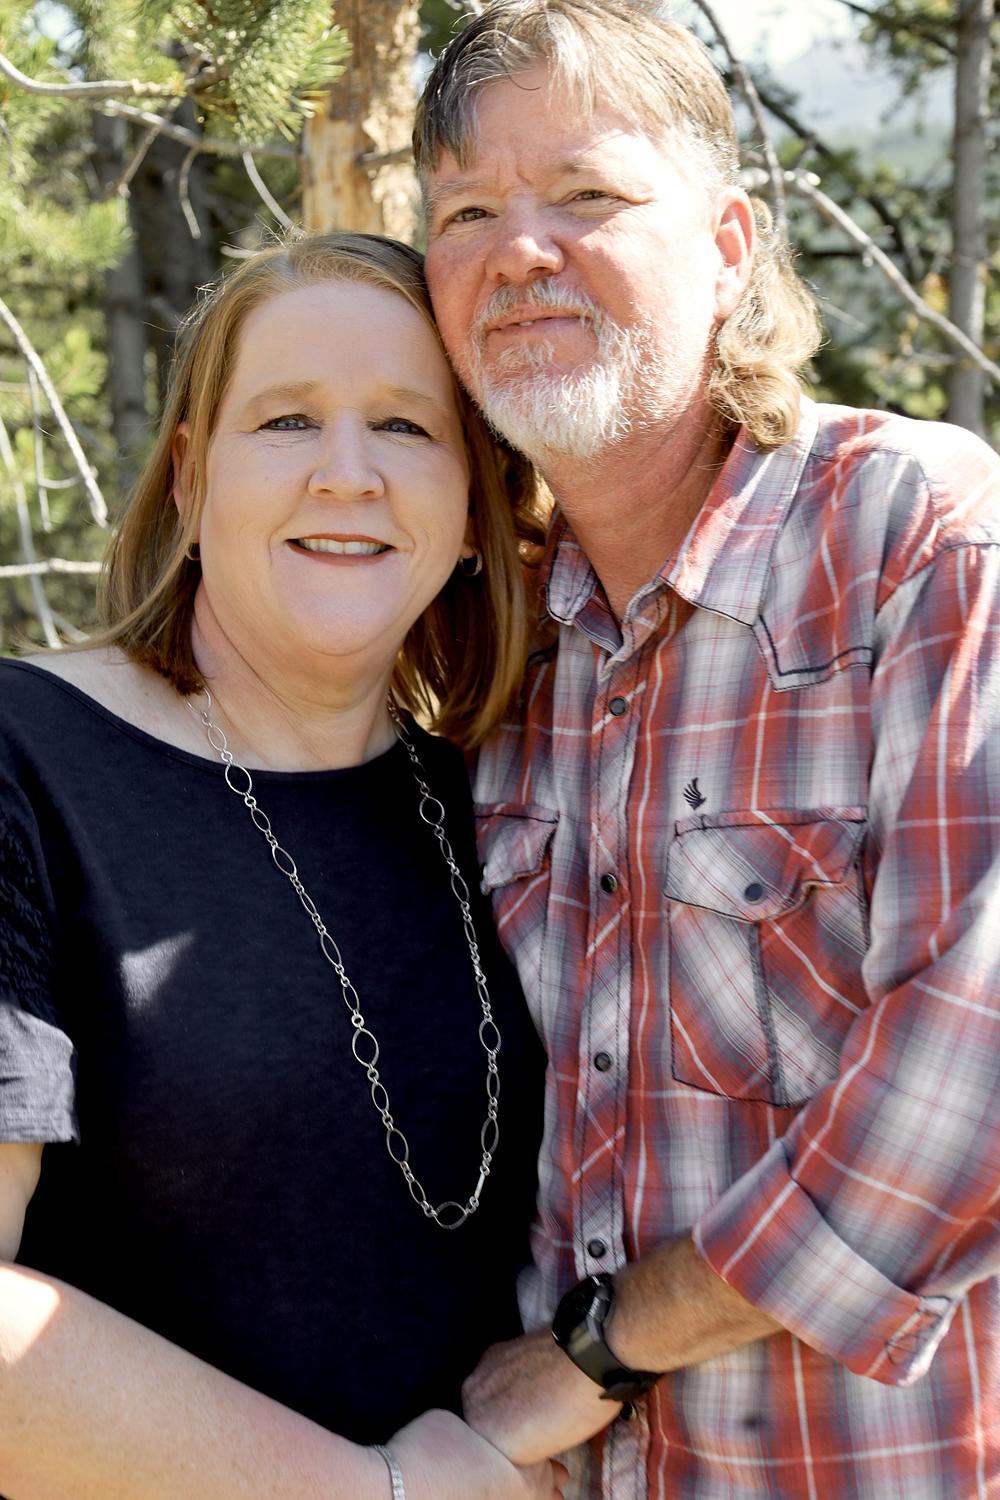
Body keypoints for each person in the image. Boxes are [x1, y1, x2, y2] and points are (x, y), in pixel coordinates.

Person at [414, 2, 1000, 1494]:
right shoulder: (487, 646)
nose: (519, 249)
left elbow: (975, 1068)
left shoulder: (916, 540)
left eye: (586, 194)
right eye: (466, 212)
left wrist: (609, 1345)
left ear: (731, 247)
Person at [0, 232, 566, 1500]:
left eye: (406, 427)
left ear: (474, 511)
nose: (346, 475)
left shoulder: (509, 805)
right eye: (287, 420)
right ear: (191, 478)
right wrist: (374, 1491)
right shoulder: (23, 761)